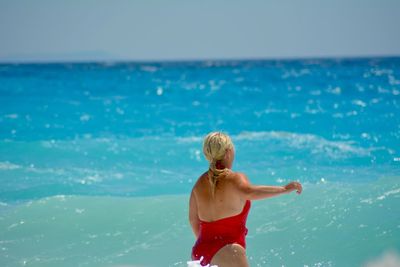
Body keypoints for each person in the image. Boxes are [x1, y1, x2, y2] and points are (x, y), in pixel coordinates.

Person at [189, 132, 302, 267]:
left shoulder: (199, 184)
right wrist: (283, 189)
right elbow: (250, 192)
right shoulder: (234, 178)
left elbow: (193, 219)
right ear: (228, 152)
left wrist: (209, 245)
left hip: (200, 252)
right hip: (229, 251)